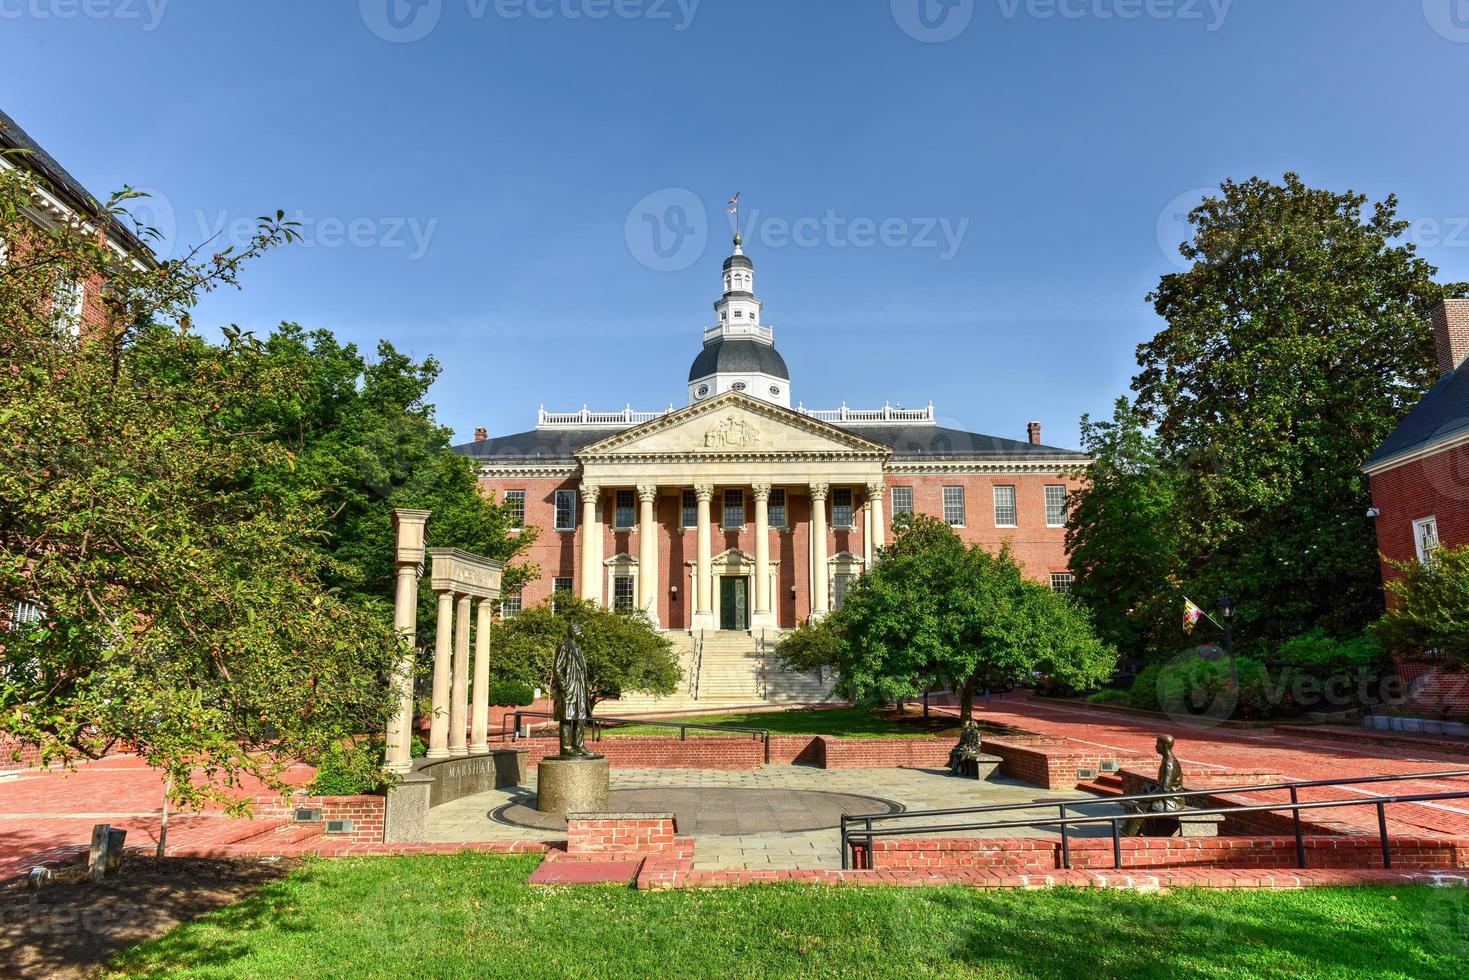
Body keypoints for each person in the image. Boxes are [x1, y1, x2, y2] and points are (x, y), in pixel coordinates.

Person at [553, 622, 602, 760]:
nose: (582, 633)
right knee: (567, 719)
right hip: (569, 689)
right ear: (573, 632)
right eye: (580, 631)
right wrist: (565, 686)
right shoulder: (564, 647)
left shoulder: (578, 648)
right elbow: (557, 668)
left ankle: (579, 746)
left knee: (580, 718)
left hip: (580, 689)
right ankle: (567, 748)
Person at [1122, 734, 1184, 835]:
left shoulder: (1170, 764)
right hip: (1166, 797)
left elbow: (1164, 789)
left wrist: (1148, 798)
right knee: (1139, 801)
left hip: (1171, 801)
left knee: (1139, 807)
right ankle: (1133, 834)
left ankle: (1126, 837)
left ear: (1165, 746)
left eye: (1158, 744)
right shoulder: (1166, 760)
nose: (1155, 746)